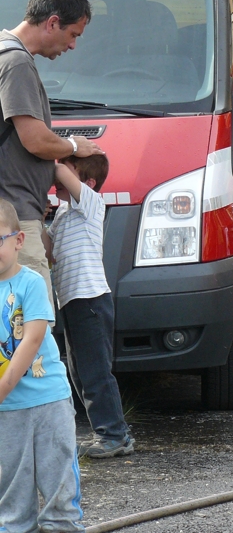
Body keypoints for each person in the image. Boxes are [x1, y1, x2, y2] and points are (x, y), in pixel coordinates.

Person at [0, 0, 103, 306]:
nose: (72, 45)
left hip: (14, 210)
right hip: (14, 215)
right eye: (72, 34)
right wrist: (74, 146)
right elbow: (35, 140)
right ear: (53, 22)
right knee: (32, 323)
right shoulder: (17, 62)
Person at [0, 198, 84, 533]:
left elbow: (32, 339)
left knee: (55, 466)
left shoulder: (31, 283)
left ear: (18, 240)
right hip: (8, 407)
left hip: (47, 398)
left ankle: (62, 531)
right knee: (10, 474)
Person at [41, 154, 133, 460]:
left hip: (91, 299)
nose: (56, 180)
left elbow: (57, 169)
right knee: (79, 373)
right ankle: (105, 431)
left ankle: (115, 435)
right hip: (72, 302)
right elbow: (49, 253)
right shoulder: (64, 214)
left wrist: (41, 161)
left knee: (96, 373)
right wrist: (37, 217)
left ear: (88, 183)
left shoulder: (92, 204)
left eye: (67, 171)